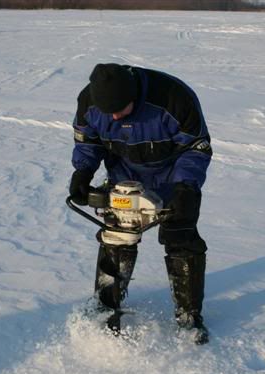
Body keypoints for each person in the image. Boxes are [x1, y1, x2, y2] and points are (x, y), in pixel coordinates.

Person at [69, 63, 212, 343]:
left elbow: (196, 146)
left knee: (180, 235)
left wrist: (186, 187)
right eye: (107, 111)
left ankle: (189, 317)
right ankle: (105, 310)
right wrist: (83, 171)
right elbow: (88, 141)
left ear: (134, 95)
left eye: (120, 109)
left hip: (173, 175)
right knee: (117, 236)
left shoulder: (173, 97)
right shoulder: (89, 100)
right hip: (124, 174)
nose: (112, 115)